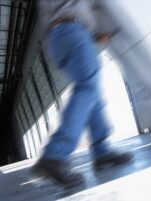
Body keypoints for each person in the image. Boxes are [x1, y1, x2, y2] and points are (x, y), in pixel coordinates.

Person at [31, 0, 132, 188]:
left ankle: (102, 151)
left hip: (61, 35)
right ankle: (55, 155)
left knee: (92, 92)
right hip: (71, 30)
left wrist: (94, 32)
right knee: (87, 88)